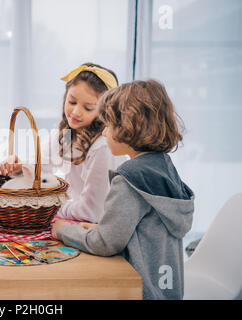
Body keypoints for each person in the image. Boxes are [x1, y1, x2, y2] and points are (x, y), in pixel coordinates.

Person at [51, 79, 195, 300]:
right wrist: (103, 228)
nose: (105, 132)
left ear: (130, 127)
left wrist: (63, 230)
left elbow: (106, 244)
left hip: (138, 290)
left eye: (108, 125)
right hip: (166, 290)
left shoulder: (130, 178)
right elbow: (141, 227)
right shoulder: (163, 167)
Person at [0, 63, 127, 223]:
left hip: (101, 226)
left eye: (88, 108)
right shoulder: (67, 133)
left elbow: (92, 212)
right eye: (72, 102)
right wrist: (18, 168)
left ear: (104, 111)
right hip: (77, 217)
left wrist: (51, 205)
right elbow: (40, 168)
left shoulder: (102, 147)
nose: (75, 112)